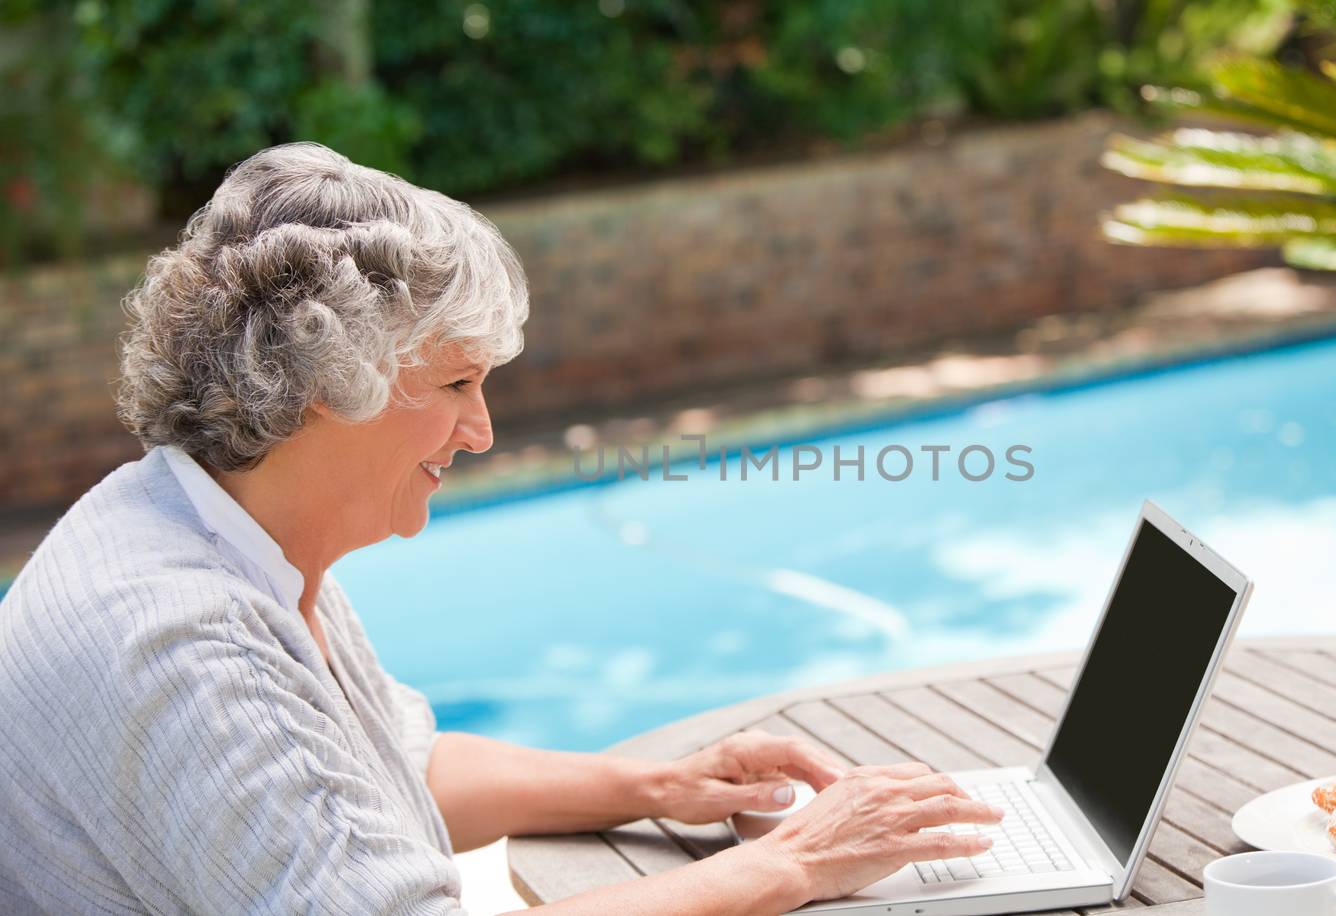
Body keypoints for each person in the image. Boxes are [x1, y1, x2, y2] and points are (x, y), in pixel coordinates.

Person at [0, 142, 999, 914]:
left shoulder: (204, 526)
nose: (480, 429)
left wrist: (651, 780)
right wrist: (794, 862)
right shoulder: (191, 645)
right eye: (457, 383)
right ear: (320, 383)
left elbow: (393, 766)